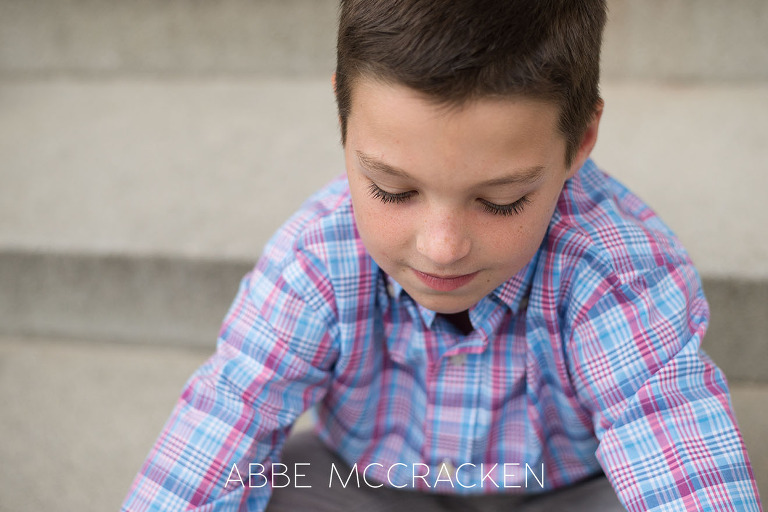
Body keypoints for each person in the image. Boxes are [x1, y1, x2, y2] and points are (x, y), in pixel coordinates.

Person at [122, 0, 762, 510]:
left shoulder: (612, 269)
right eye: (393, 191)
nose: (442, 247)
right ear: (343, 112)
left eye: (502, 200)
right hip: (371, 482)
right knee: (271, 477)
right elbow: (228, 412)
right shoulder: (316, 259)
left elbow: (672, 442)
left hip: (566, 487)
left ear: (580, 140)